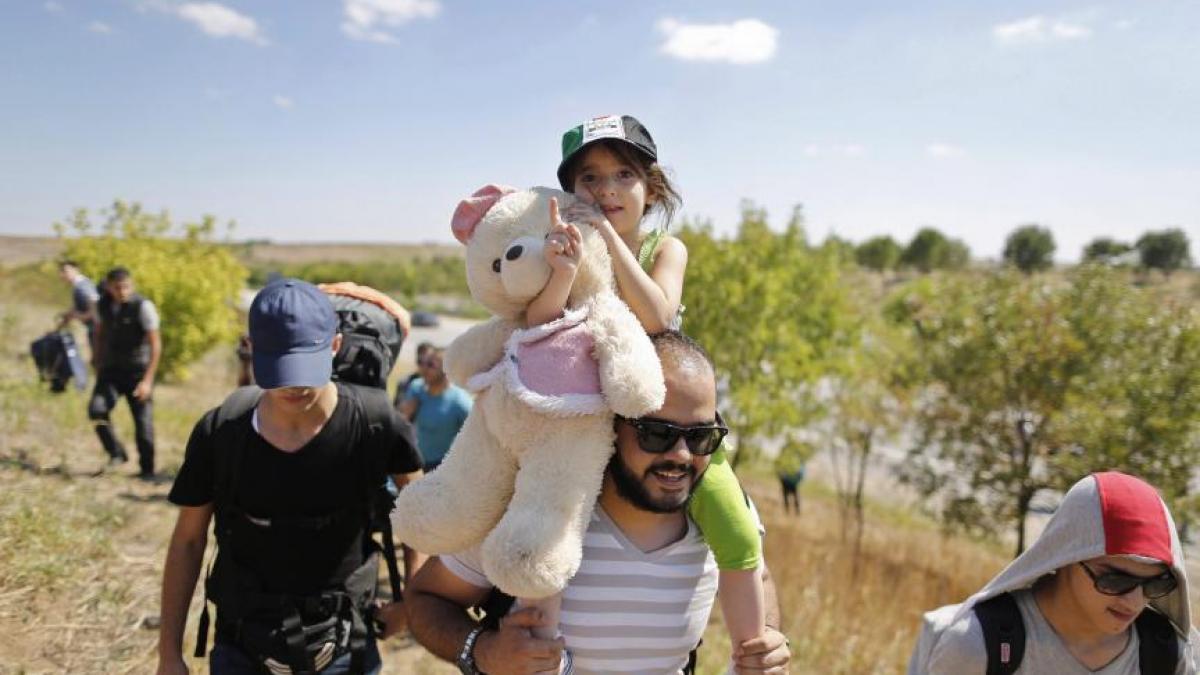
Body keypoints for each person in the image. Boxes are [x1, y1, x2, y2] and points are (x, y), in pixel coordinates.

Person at [404, 331, 791, 675]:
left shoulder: (721, 519)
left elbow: (759, 574)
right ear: (611, 424)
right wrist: (483, 653)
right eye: (657, 433)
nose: (682, 455)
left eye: (702, 436)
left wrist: (769, 637)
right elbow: (426, 599)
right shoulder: (529, 510)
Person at [525, 114, 767, 656]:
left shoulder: (665, 248)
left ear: (650, 186)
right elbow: (537, 327)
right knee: (546, 522)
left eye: (622, 175)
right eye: (589, 178)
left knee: (737, 527)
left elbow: (657, 316)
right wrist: (563, 271)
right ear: (569, 190)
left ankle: (754, 648)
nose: (606, 189)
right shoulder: (564, 246)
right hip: (585, 419)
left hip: (662, 424)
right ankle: (538, 646)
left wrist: (606, 237)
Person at [156, 278, 426, 675]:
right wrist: (168, 654)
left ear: (335, 346)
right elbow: (188, 541)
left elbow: (422, 518)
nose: (293, 384)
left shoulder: (379, 425)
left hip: (344, 644)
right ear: (251, 349)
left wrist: (411, 604)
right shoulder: (223, 430)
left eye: (306, 367)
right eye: (278, 368)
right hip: (242, 643)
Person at [908, 471, 1199, 674]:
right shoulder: (977, 645)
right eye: (1116, 579)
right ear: (1066, 556)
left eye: (1154, 583)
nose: (1135, 600)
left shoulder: (1166, 654)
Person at [89, 266, 161, 477]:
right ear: (109, 287)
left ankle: (147, 470)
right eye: (117, 287)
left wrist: (147, 381)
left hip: (137, 372)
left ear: (132, 285)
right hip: (110, 371)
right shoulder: (102, 305)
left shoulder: (143, 306)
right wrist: (96, 358)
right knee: (96, 410)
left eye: (126, 286)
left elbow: (156, 345)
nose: (122, 291)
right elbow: (99, 332)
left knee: (143, 424)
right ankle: (116, 453)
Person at [398, 346, 472, 471]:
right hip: (416, 461)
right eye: (422, 362)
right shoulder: (416, 388)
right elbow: (401, 418)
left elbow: (473, 440)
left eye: (430, 365)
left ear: (446, 370)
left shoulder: (461, 403)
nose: (423, 369)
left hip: (442, 468)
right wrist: (405, 412)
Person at [56, 259, 100, 347]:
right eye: (61, 272)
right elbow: (76, 307)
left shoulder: (82, 286)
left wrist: (80, 316)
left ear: (76, 270)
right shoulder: (79, 285)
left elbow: (94, 305)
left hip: (97, 330)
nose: (63, 275)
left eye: (65, 271)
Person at [394, 340, 434, 407]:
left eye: (429, 363)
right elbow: (396, 410)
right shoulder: (405, 383)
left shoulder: (441, 385)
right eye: (420, 361)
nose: (425, 367)